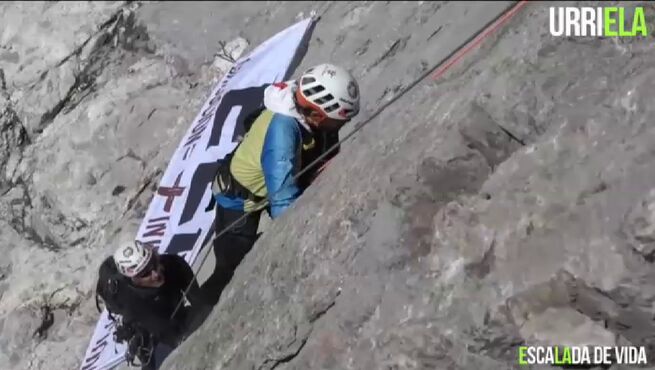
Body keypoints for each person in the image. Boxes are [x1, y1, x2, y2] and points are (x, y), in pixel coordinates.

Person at [201, 63, 360, 303]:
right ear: (316, 114)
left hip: (257, 182)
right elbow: (283, 202)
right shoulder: (283, 134)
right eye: (335, 122)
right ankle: (206, 305)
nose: (339, 127)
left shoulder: (302, 104)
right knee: (231, 261)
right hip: (239, 200)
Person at [96, 241, 208, 369]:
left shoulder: (174, 265)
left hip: (167, 308)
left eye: (154, 264)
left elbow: (200, 301)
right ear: (133, 279)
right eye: (145, 274)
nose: (155, 274)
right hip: (148, 327)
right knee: (150, 354)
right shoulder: (132, 303)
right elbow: (170, 335)